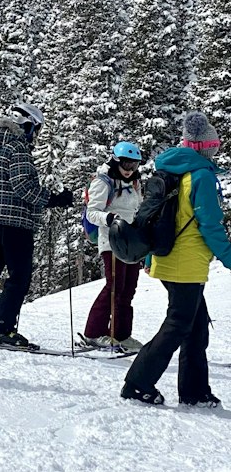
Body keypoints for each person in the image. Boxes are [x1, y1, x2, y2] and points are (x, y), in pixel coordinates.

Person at [121, 111, 229, 407]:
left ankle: (195, 392)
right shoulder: (201, 176)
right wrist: (229, 256)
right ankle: (137, 384)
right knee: (179, 324)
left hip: (168, 257)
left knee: (194, 326)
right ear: (206, 147)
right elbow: (209, 224)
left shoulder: (171, 170)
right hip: (186, 262)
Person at [0, 101, 73, 348]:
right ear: (28, 126)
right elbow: (23, 187)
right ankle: (3, 329)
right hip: (16, 221)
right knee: (19, 277)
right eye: (36, 130)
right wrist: (53, 199)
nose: (36, 136)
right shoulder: (17, 148)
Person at [81, 141, 144, 351]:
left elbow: (137, 208)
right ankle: (93, 333)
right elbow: (92, 212)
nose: (129, 170)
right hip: (111, 239)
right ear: (116, 161)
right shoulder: (104, 181)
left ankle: (121, 334)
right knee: (114, 286)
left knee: (129, 288)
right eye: (126, 164)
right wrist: (110, 218)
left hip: (131, 241)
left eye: (134, 165)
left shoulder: (134, 183)